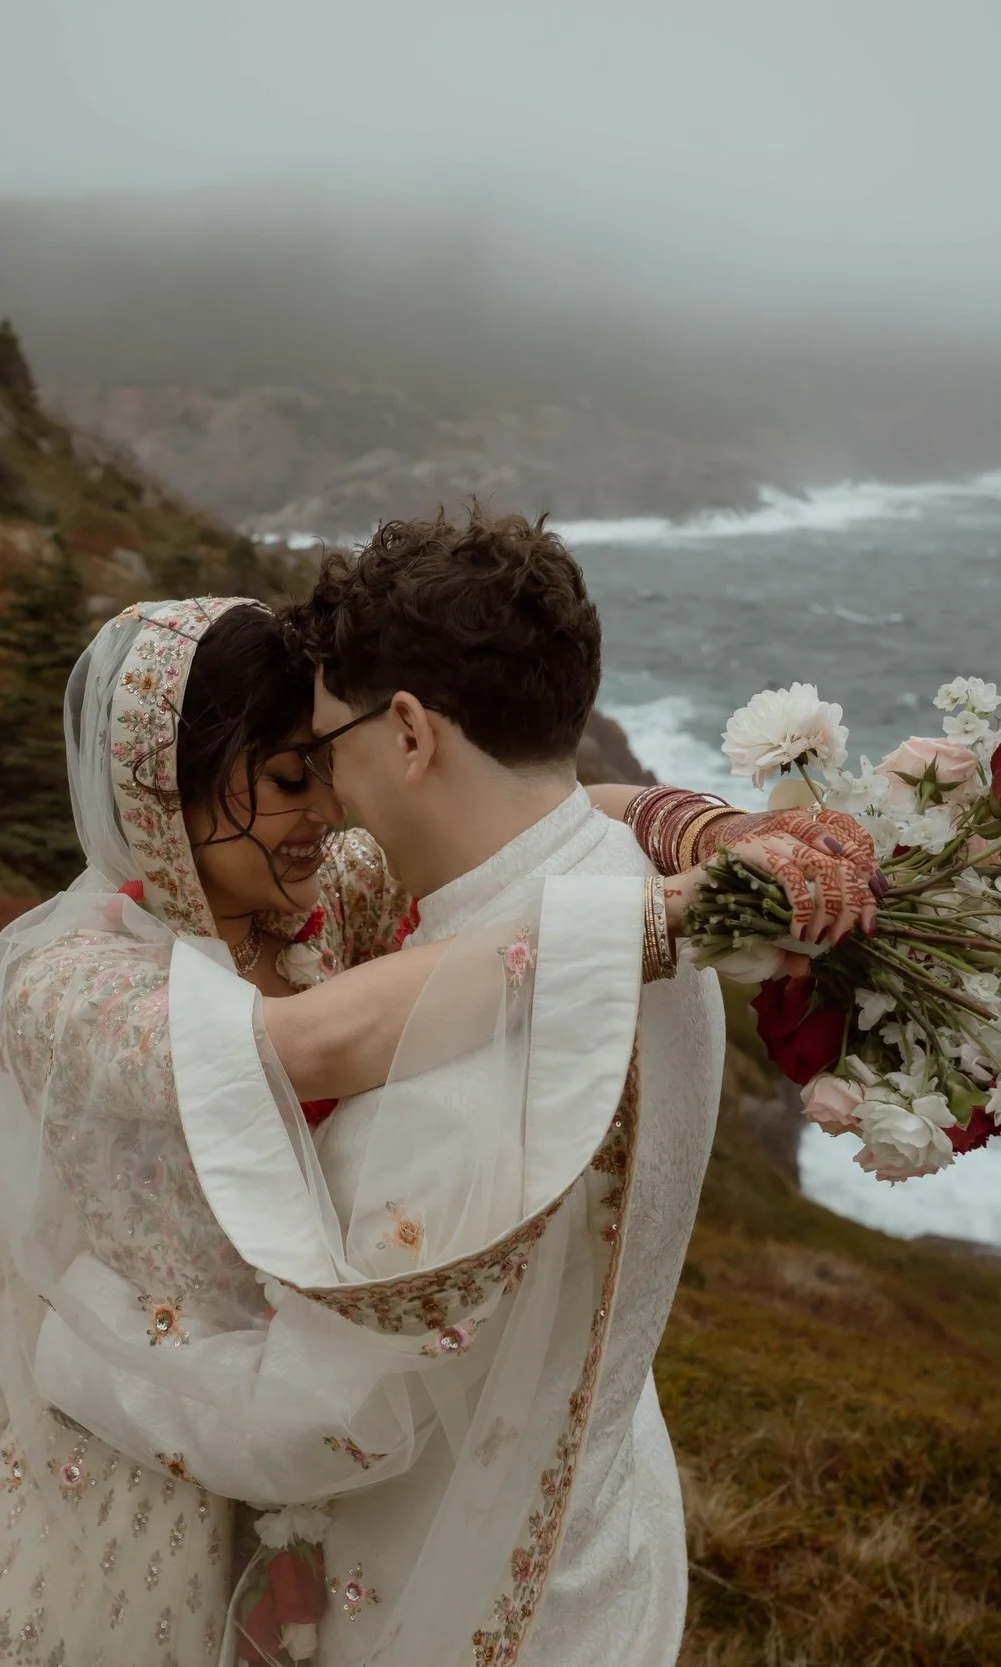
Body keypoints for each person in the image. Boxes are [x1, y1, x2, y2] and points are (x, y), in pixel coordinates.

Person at [0, 597, 701, 1667]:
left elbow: (557, 808)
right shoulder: (69, 978)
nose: (326, 812)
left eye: (326, 770)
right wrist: (642, 925)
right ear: (166, 786)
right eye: (286, 778)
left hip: (310, 1424)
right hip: (133, 1461)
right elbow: (294, 1048)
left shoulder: (317, 895)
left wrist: (717, 831)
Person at [276, 508, 872, 1667]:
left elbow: (324, 1418)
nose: (329, 791)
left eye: (329, 743)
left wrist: (88, 1343)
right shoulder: (626, 884)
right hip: (606, 1540)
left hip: (455, 1597)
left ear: (406, 731)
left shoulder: (462, 1054)